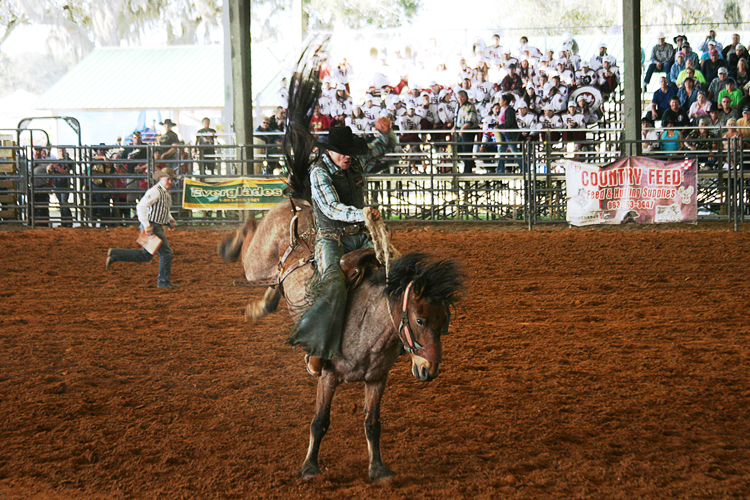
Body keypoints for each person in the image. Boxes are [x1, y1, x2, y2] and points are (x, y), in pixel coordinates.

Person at [293, 120, 397, 376]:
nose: (348, 157)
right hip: (331, 238)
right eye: (342, 152)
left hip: (360, 235)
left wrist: (386, 133)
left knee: (396, 272)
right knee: (334, 286)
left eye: (350, 152)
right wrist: (362, 213)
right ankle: (316, 349)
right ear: (329, 151)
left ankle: (400, 333)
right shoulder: (319, 172)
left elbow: (380, 148)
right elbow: (331, 208)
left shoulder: (354, 161)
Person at [105, 167, 179, 289]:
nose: (170, 182)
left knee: (146, 256)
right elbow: (141, 207)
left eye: (171, 179)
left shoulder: (164, 192)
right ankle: (163, 282)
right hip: (152, 226)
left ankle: (115, 254)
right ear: (160, 179)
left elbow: (162, 209)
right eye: (168, 179)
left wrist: (169, 219)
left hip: (154, 225)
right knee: (167, 254)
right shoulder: (156, 191)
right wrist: (147, 225)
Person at [455, 89, 478, 173]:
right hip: (460, 130)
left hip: (468, 131)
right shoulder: (458, 106)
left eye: (462, 97)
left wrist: (463, 129)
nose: (460, 99)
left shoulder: (470, 106)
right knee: (458, 149)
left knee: (466, 151)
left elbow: (470, 121)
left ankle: (467, 171)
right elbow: (456, 118)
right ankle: (470, 164)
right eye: (459, 97)